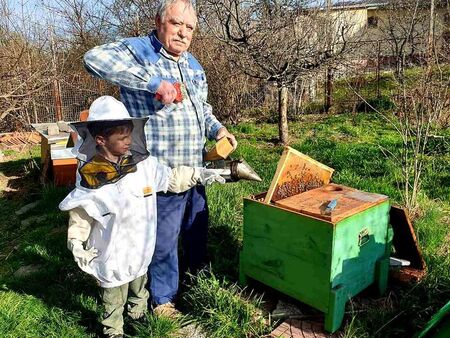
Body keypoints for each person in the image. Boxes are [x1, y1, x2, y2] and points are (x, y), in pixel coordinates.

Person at [83, 0, 237, 316]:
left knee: (196, 229)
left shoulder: (193, 64)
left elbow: (201, 109)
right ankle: (163, 301)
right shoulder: (139, 50)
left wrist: (218, 130)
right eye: (177, 24)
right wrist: (153, 83)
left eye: (190, 27)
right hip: (159, 171)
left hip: (194, 168)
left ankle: (197, 281)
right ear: (159, 21)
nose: (183, 33)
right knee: (163, 241)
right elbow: (92, 58)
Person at [59, 96, 223, 338]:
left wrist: (199, 175)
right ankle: (113, 330)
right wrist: (76, 242)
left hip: (140, 249)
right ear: (101, 140)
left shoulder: (143, 166)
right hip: (112, 253)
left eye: (129, 134)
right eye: (122, 137)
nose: (128, 141)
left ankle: (139, 319)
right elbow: (81, 215)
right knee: (114, 297)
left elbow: (169, 178)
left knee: (140, 289)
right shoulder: (91, 177)